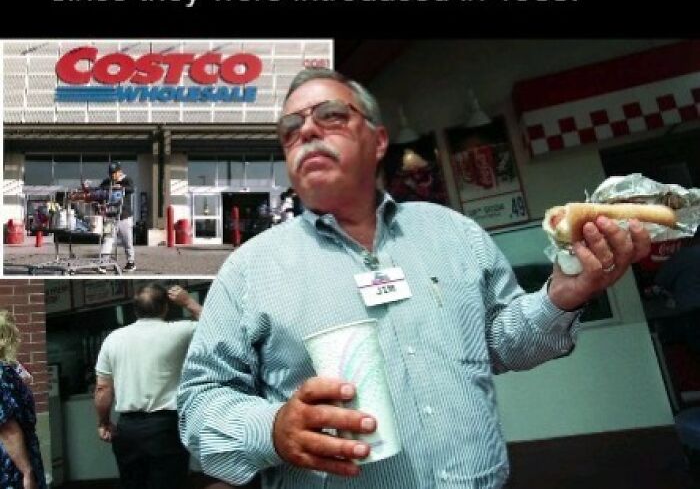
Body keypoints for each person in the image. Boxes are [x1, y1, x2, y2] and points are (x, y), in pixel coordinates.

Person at [177, 68, 651, 489]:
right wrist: (273, 430)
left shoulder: (452, 232)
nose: (306, 131)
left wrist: (562, 297)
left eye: (330, 116)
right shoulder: (249, 269)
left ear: (379, 140)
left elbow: (501, 344)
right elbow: (201, 401)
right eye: (290, 129)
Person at [94, 285, 203, 489]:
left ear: (135, 310)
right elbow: (216, 326)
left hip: (127, 429)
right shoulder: (179, 331)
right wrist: (188, 302)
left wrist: (104, 422)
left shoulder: (113, 339)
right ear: (165, 308)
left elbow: (103, 389)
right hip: (166, 427)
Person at [0, 310, 46, 489]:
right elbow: (8, 429)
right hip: (11, 461)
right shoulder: (2, 374)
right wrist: (26, 471)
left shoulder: (8, 369)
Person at [99, 161, 136, 272]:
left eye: (114, 173)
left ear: (119, 171)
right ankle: (103, 263)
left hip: (124, 216)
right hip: (111, 217)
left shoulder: (127, 180)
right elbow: (100, 190)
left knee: (127, 241)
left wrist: (120, 187)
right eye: (111, 173)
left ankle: (131, 262)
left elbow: (131, 189)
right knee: (108, 240)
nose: (112, 176)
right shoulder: (107, 181)